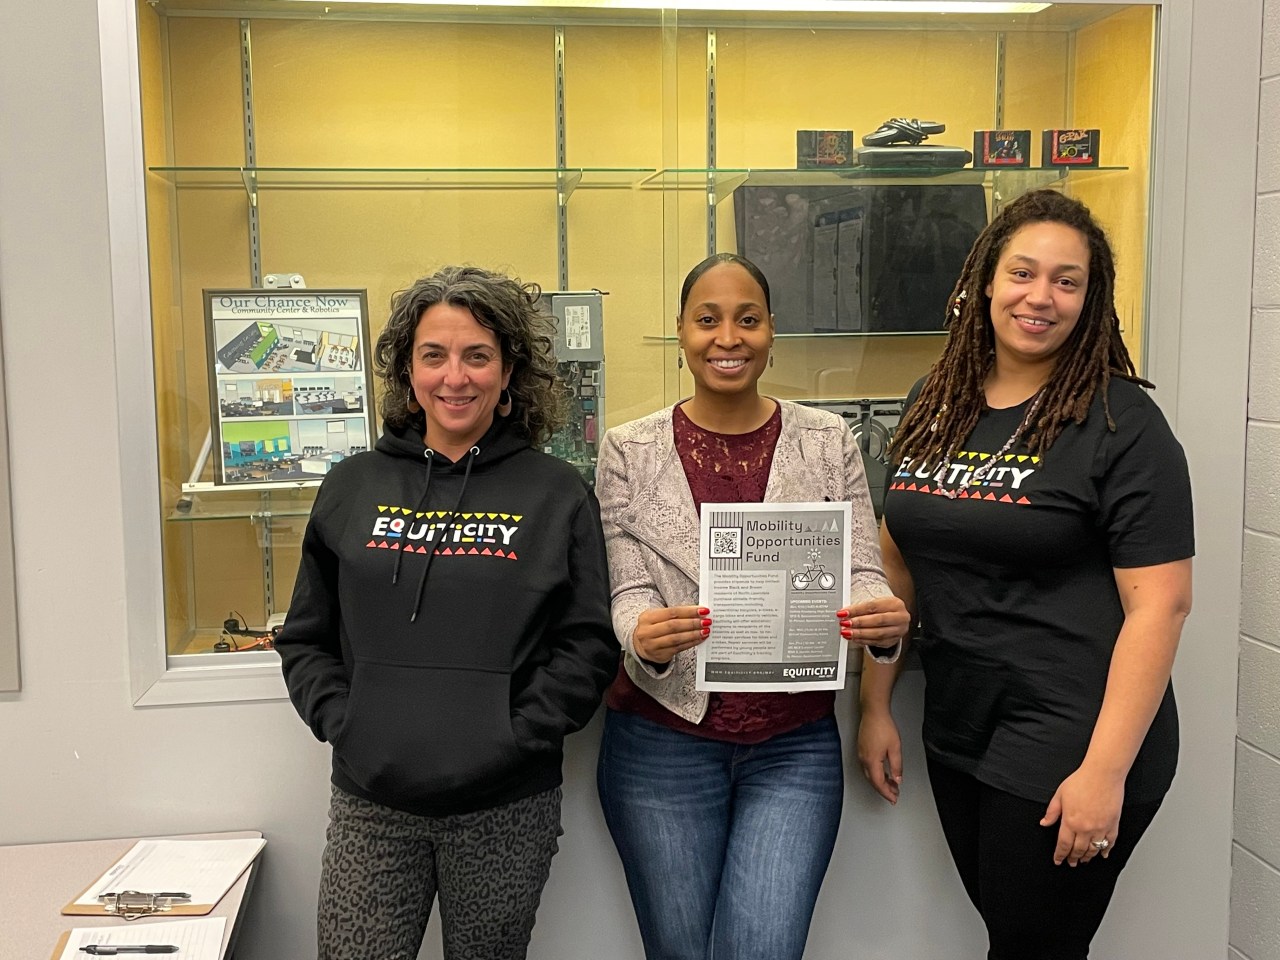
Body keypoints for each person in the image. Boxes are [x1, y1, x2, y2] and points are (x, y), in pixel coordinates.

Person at [857, 189, 1193, 960]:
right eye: (1023, 273)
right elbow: (896, 562)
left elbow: (1162, 608)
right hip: (962, 724)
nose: (1040, 297)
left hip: (1072, 733)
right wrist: (876, 705)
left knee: (1030, 947)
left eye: (1067, 281)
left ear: (1090, 297)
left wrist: (1104, 773)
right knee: (1015, 934)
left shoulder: (1121, 423)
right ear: (984, 281)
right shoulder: (935, 403)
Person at [275, 265, 619, 960]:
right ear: (408, 370)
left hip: (504, 806)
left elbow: (586, 643)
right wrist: (349, 723)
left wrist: (513, 736)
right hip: (374, 801)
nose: (454, 377)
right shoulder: (352, 487)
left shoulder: (556, 493)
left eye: (477, 355)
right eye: (434, 355)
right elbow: (306, 636)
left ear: (509, 370)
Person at [595, 252, 911, 960]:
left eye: (748, 319)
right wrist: (641, 635)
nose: (727, 338)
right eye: (707, 320)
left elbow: (860, 568)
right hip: (660, 742)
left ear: (772, 332)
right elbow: (626, 588)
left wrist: (882, 621)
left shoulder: (829, 441)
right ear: (680, 331)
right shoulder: (627, 450)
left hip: (792, 744)